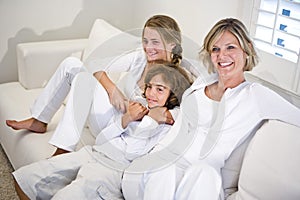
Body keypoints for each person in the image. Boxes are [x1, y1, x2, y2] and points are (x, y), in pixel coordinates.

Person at [121, 18, 300, 200]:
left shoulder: (257, 96)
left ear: (248, 49)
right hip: (157, 166)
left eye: (230, 47)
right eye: (215, 49)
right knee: (166, 170)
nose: (222, 56)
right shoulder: (202, 82)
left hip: (198, 178)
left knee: (205, 173)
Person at [6, 15, 198, 155]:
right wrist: (112, 89)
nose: (148, 47)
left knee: (83, 81)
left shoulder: (177, 76)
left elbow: (173, 114)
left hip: (118, 127)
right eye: (145, 41)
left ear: (172, 45)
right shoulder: (140, 57)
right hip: (105, 111)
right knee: (71, 65)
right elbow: (93, 63)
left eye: (155, 42)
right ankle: (40, 119)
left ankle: (62, 150)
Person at [13, 63, 192, 200]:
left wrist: (151, 121)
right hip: (94, 153)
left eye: (159, 89)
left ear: (174, 94)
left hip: (114, 169)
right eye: (150, 86)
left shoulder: (170, 119)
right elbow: (101, 140)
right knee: (25, 178)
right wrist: (126, 119)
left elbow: (133, 152)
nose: (151, 93)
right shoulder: (139, 107)